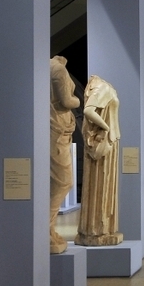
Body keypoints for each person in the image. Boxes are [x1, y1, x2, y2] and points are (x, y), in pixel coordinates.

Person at [77, 75, 122, 246]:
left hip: (107, 141)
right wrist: (106, 127)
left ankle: (99, 228)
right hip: (105, 142)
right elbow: (88, 111)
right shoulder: (102, 88)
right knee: (100, 184)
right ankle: (97, 230)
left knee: (103, 184)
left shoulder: (97, 86)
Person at [49, 57, 79, 254]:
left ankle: (47, 229)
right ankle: (45, 228)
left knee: (57, 181)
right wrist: (77, 100)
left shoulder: (49, 67)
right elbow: (67, 101)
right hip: (56, 128)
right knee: (63, 181)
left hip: (56, 127)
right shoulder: (58, 69)